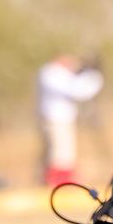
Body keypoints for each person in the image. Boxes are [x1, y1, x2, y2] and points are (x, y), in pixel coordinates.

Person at [37, 54, 104, 186]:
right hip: (55, 117)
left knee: (62, 151)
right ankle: (59, 181)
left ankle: (59, 180)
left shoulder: (58, 74)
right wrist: (93, 78)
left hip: (62, 118)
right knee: (60, 152)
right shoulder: (52, 74)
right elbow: (76, 90)